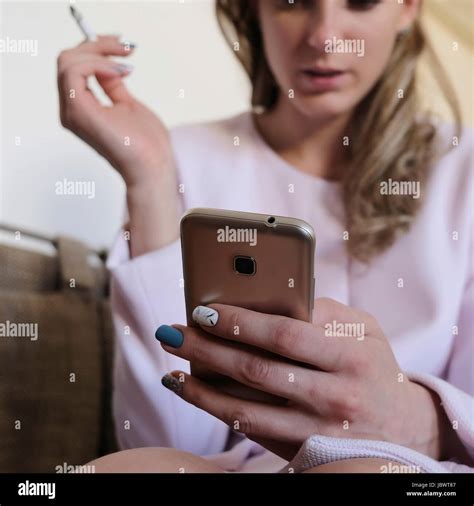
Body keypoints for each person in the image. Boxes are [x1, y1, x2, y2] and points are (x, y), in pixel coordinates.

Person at [57, 0, 473, 473]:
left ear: (407, 8)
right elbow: (173, 442)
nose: (325, 37)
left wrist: (423, 419)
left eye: (359, 2)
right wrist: (149, 183)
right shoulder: (184, 156)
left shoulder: (465, 170)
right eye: (292, 2)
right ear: (253, 10)